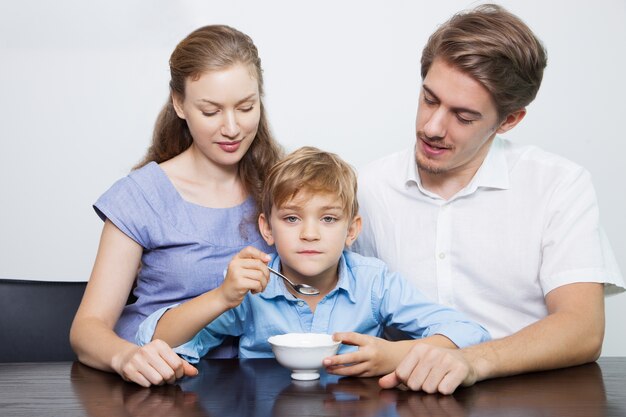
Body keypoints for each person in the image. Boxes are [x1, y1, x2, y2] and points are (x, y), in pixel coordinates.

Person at [325, 4, 625, 394]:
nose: (431, 127)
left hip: (530, 399)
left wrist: (469, 361)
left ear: (509, 120)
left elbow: (583, 329)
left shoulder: (558, 185)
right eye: (429, 99)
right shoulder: (369, 187)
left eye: (463, 117)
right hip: (403, 399)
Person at [135, 146, 490, 371]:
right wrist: (221, 297)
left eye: (328, 219)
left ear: (352, 231)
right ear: (267, 229)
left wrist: (394, 355)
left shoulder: (375, 283)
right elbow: (156, 340)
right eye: (292, 218)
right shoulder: (252, 287)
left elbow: (468, 332)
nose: (309, 233)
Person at [69, 25, 283, 387]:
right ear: (179, 104)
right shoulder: (142, 196)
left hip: (259, 388)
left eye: (246, 107)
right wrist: (126, 356)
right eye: (211, 111)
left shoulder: (281, 186)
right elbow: (87, 329)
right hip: (161, 389)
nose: (232, 128)